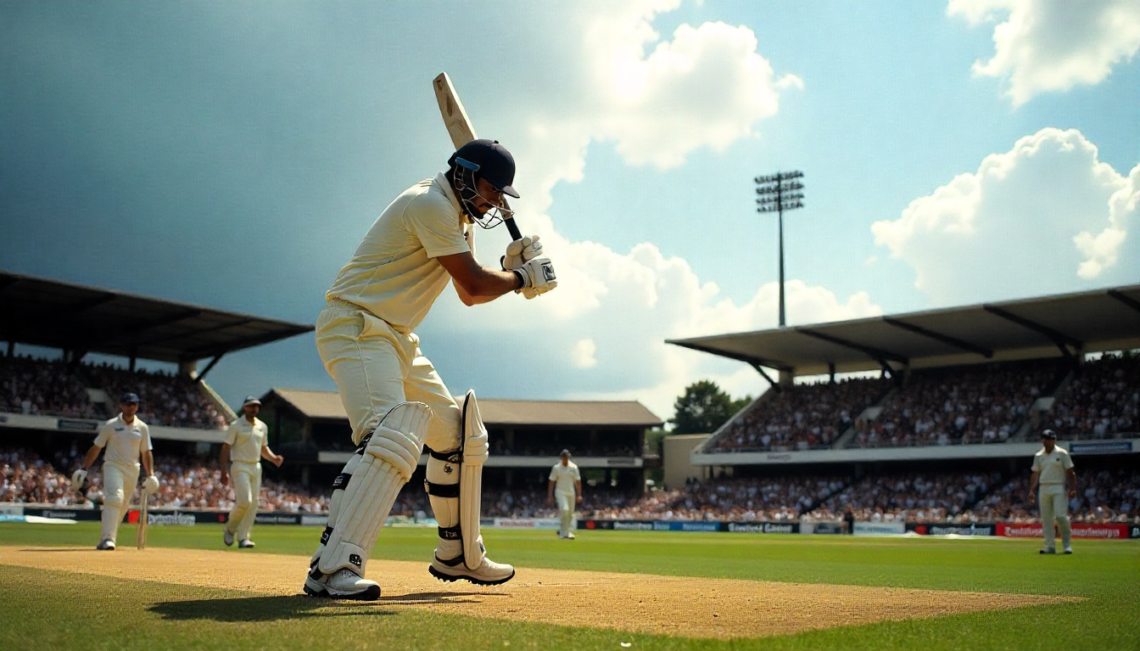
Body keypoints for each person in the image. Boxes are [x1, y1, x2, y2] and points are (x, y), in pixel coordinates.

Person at [303, 139, 557, 600]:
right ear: (463, 174)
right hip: (357, 325)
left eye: (501, 195)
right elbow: (476, 287)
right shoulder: (430, 205)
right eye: (491, 190)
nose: (495, 201)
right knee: (389, 438)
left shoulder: (457, 216)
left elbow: (471, 288)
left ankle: (458, 554)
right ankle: (331, 567)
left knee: (460, 435)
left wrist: (508, 266)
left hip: (396, 336)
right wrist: (522, 278)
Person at [71, 393, 158, 550]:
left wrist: (151, 474)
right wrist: (84, 468)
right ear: (121, 405)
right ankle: (108, 538)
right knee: (115, 498)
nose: (131, 407)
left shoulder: (143, 428)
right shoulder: (111, 425)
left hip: (133, 469)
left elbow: (146, 452)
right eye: (127, 404)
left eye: (134, 404)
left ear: (137, 406)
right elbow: (97, 447)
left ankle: (108, 535)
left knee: (123, 505)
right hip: (113, 466)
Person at [220, 396, 284, 549]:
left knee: (253, 504)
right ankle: (230, 529)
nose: (254, 409)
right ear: (244, 408)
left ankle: (243, 538)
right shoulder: (236, 425)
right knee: (245, 501)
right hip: (239, 465)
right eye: (250, 406)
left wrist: (274, 458)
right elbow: (225, 448)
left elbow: (263, 449)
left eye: (256, 406)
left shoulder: (262, 426)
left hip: (256, 466)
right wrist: (223, 471)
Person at [1028, 429, 1077, 554]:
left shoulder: (1062, 453)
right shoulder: (1039, 456)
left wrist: (1073, 488)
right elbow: (1035, 473)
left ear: (1053, 440)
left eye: (1048, 439)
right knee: (1046, 519)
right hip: (1043, 487)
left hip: (1059, 486)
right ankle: (1050, 545)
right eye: (1044, 439)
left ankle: (1066, 545)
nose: (1045, 442)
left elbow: (1070, 472)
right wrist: (1032, 490)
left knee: (1060, 516)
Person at [548, 449, 582, 539]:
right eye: (564, 457)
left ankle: (565, 532)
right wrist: (550, 496)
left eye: (567, 457)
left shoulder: (574, 467)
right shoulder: (556, 468)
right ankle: (563, 534)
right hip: (560, 492)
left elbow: (578, 482)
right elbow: (551, 482)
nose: (566, 458)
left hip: (571, 493)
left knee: (570, 514)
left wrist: (579, 495)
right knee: (565, 510)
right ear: (561, 457)